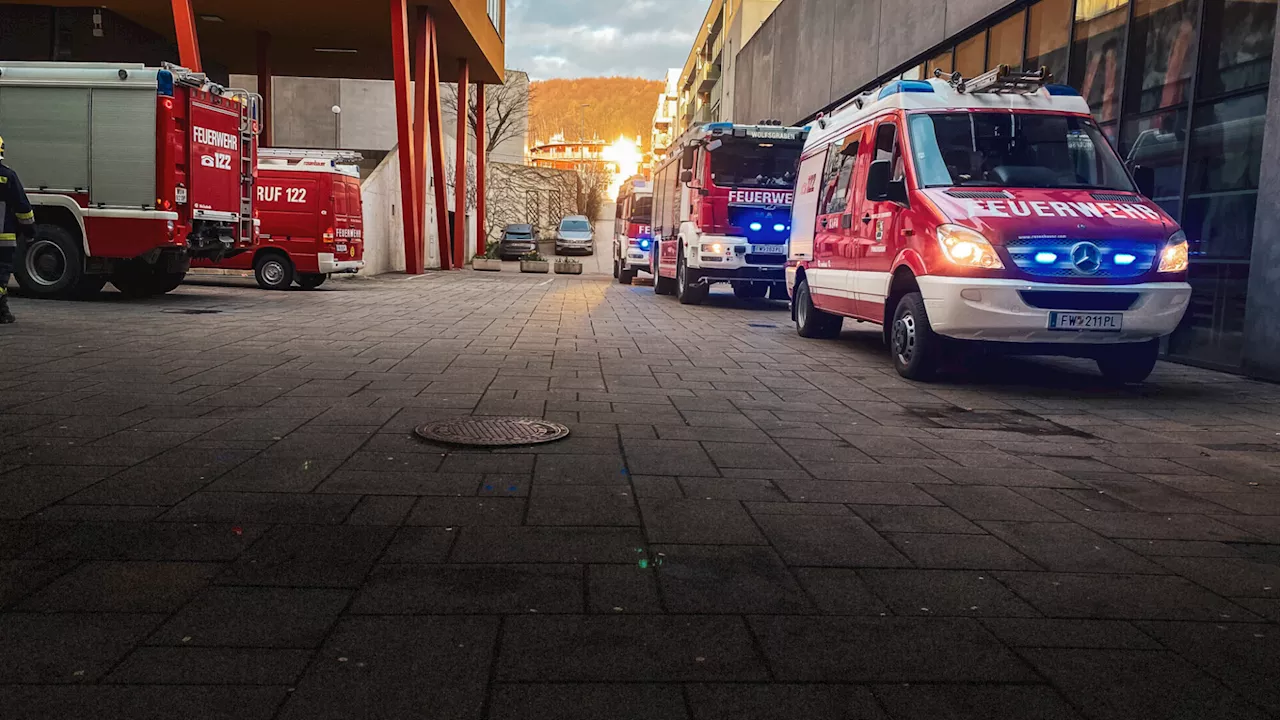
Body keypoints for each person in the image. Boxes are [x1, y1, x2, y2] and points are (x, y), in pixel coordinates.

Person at [0, 135, 35, 323]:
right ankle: (2, 311)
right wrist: (30, 232)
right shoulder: (8, 176)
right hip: (3, 237)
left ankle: (2, 311)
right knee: (2, 273)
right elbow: (23, 208)